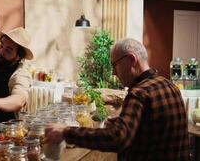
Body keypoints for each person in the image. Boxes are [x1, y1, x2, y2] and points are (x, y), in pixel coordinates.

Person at [45, 38, 190, 160]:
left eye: (114, 65)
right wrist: (128, 124)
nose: (114, 72)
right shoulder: (170, 86)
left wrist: (66, 132)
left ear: (132, 60)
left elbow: (117, 139)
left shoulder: (139, 93)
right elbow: (156, 132)